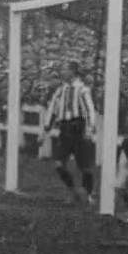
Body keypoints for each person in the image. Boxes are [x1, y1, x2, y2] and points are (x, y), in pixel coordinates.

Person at [42, 61, 97, 205]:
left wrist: (89, 129)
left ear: (73, 71)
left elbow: (89, 110)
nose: (62, 72)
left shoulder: (82, 89)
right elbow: (52, 110)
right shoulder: (60, 90)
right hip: (65, 130)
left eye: (65, 69)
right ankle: (73, 191)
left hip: (79, 129)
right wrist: (45, 131)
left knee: (85, 168)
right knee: (58, 164)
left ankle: (87, 195)